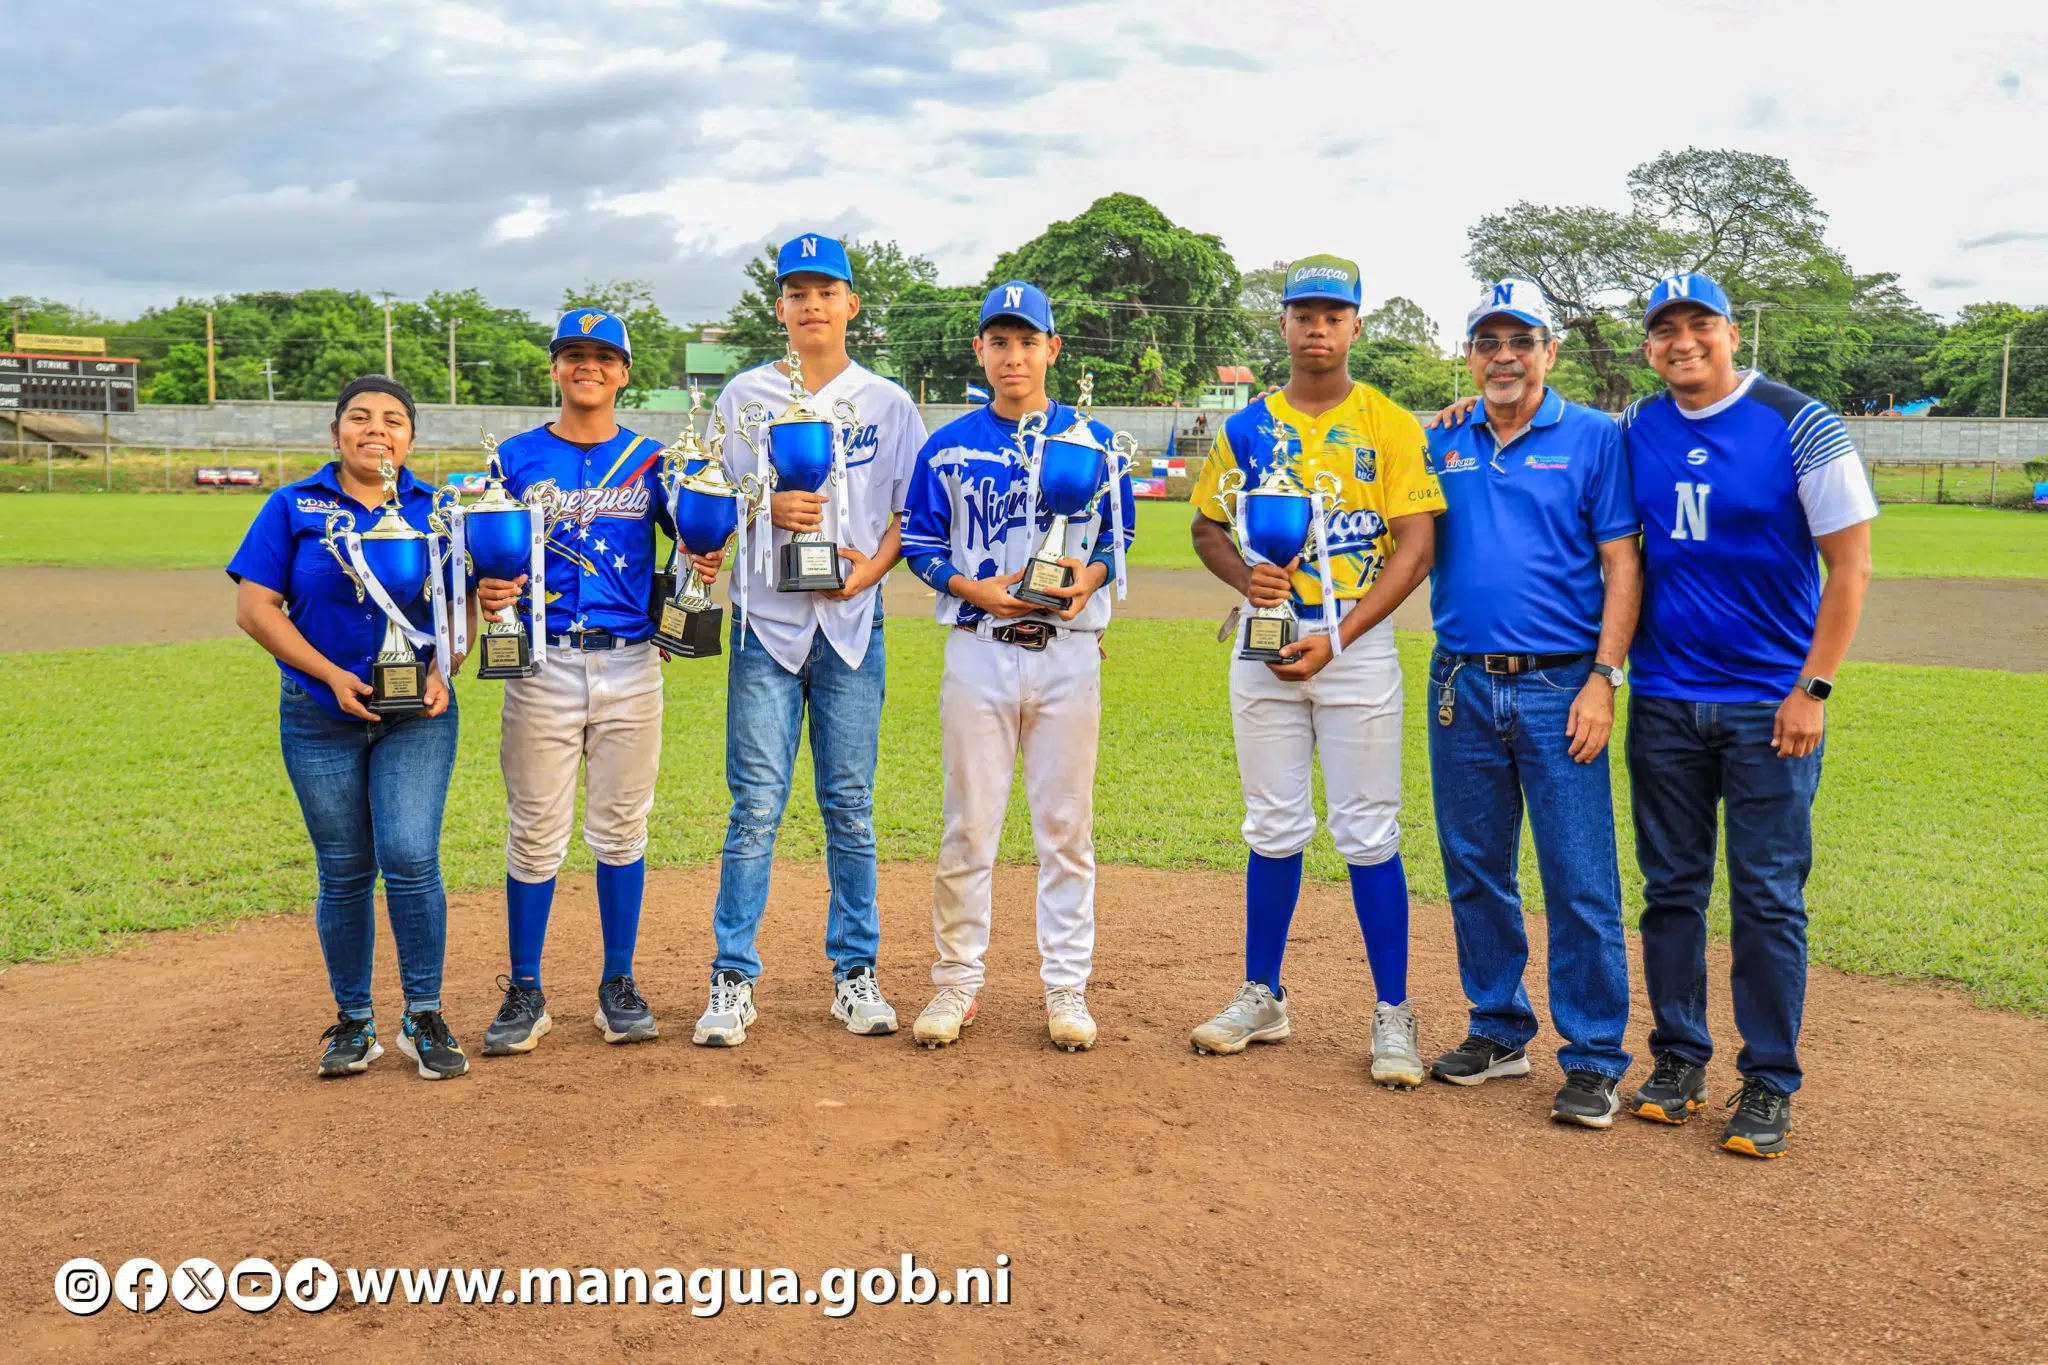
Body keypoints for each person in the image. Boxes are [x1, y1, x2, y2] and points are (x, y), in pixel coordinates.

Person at [1619, 272, 1875, 1157]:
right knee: (1671, 890)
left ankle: (1768, 1078)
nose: (1683, 340)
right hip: (1664, 699)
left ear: (1733, 332)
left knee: (1766, 896)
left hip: (1771, 705)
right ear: (1648, 347)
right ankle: (1679, 1057)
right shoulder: (1635, 425)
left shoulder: (1799, 421)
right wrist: (1465, 408)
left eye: (1701, 323)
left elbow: (1851, 565)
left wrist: (1814, 688)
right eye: (1665, 329)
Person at [1186, 255, 1444, 1088]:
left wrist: (1340, 636)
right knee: (1272, 823)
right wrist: (1246, 578)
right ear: (1285, 324)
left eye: (1334, 315)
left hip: (1355, 645)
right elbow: (1206, 526)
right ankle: (1263, 994)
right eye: (1304, 314)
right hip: (1265, 642)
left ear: (1356, 326)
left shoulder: (1388, 424)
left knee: (1368, 830)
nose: (1318, 328)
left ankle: (1394, 1011)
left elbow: (1417, 547)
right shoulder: (1246, 428)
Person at [691, 233, 927, 1047]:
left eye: (827, 291)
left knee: (850, 806)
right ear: (780, 307)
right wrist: (765, 507)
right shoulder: (744, 396)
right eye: (798, 292)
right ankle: (732, 977)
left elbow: (911, 514)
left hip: (852, 625)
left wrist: (869, 575)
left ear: (851, 304)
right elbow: (710, 500)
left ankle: (856, 973)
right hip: (765, 623)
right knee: (755, 806)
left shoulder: (887, 402)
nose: (812, 305)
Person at [1421, 278, 1643, 1128]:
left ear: (1549, 351)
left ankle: (1592, 1056)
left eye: (1522, 341)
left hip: (1562, 685)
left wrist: (1604, 678)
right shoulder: (1444, 437)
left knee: (1579, 874)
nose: (1505, 356)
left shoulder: (1594, 437)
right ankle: (1498, 1026)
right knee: (1475, 865)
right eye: (1489, 342)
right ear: (1470, 355)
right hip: (1461, 682)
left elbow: (1622, 562)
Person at [898, 280, 1136, 1051]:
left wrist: (1087, 580)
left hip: (1068, 653)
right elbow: (920, 544)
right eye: (999, 341)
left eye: (1027, 341)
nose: (1013, 355)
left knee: (1066, 829)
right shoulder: (947, 446)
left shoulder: (1094, 443)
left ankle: (1066, 985)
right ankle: (956, 982)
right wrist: (973, 589)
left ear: (1052, 349)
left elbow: (1115, 541)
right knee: (969, 825)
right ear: (980, 350)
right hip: (979, 650)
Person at [227, 375, 469, 1081]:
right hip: (319, 715)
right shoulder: (292, 505)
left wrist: (443, 668)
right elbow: (255, 608)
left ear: (411, 439)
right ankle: (354, 1020)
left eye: (393, 420)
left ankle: (423, 1013)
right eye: (359, 417)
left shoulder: (440, 511)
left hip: (416, 714)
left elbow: (464, 605)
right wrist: (330, 675)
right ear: (335, 433)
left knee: (411, 855)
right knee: (344, 869)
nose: (376, 429)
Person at [473, 308, 675, 1054]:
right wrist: (487, 587)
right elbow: (481, 550)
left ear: (624, 373)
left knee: (622, 827)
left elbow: (693, 538)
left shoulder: (654, 461)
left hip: (631, 662)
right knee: (535, 832)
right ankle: (526, 989)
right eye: (574, 354)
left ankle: (618, 982)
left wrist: (699, 565)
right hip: (542, 662)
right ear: (556, 367)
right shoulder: (514, 458)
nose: (589, 365)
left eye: (604, 356)